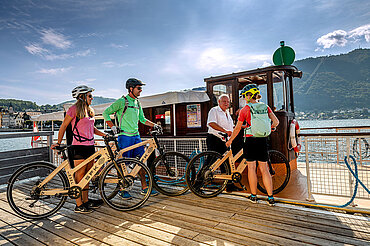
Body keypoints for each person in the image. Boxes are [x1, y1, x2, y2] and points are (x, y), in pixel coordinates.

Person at [51, 85, 106, 213]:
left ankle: (86, 201)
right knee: (80, 175)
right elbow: (64, 126)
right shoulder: (73, 109)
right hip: (78, 147)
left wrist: (105, 135)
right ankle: (79, 204)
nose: (92, 98)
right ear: (82, 97)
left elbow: (92, 129)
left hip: (90, 146)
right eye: (90, 96)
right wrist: (58, 142)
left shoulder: (89, 110)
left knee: (88, 175)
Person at [103, 78, 160, 199]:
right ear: (131, 88)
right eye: (139, 88)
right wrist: (112, 127)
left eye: (141, 88)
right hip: (124, 137)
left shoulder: (137, 102)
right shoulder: (122, 101)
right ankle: (122, 189)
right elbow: (106, 113)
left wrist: (154, 125)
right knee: (123, 163)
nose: (141, 90)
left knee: (141, 161)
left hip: (136, 136)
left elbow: (142, 119)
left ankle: (144, 188)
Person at [226, 84, 279, 206]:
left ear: (249, 96)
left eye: (245, 96)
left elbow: (238, 128)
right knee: (264, 169)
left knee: (251, 168)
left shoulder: (245, 109)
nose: (244, 98)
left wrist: (230, 141)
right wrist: (270, 127)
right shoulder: (265, 107)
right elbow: (276, 122)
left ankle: (254, 196)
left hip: (250, 140)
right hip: (262, 140)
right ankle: (270, 198)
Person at [206, 94, 242, 192]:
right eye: (224, 101)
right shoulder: (214, 110)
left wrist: (243, 127)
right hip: (215, 138)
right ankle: (198, 181)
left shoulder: (227, 114)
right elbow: (211, 123)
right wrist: (225, 131)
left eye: (227, 101)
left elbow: (232, 128)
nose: (226, 103)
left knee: (227, 163)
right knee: (211, 161)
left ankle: (229, 185)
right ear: (219, 102)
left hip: (225, 140)